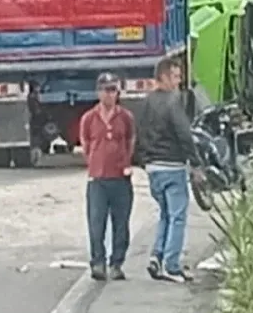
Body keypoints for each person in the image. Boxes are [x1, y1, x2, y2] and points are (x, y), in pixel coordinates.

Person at [136, 56, 200, 283]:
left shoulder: (145, 103)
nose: (179, 81)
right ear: (163, 77)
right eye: (175, 76)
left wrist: (144, 160)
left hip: (153, 169)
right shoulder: (174, 102)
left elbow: (139, 133)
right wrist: (195, 163)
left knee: (165, 214)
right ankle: (172, 265)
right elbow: (184, 134)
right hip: (173, 166)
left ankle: (157, 256)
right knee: (178, 216)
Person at [79, 72, 136, 281]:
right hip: (97, 180)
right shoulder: (89, 118)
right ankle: (98, 262)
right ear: (98, 92)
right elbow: (85, 143)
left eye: (113, 90)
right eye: (106, 90)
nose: (110, 95)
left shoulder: (125, 117)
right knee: (96, 223)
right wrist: (94, 162)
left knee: (121, 224)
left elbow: (131, 139)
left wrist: (124, 161)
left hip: (120, 178)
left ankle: (117, 263)